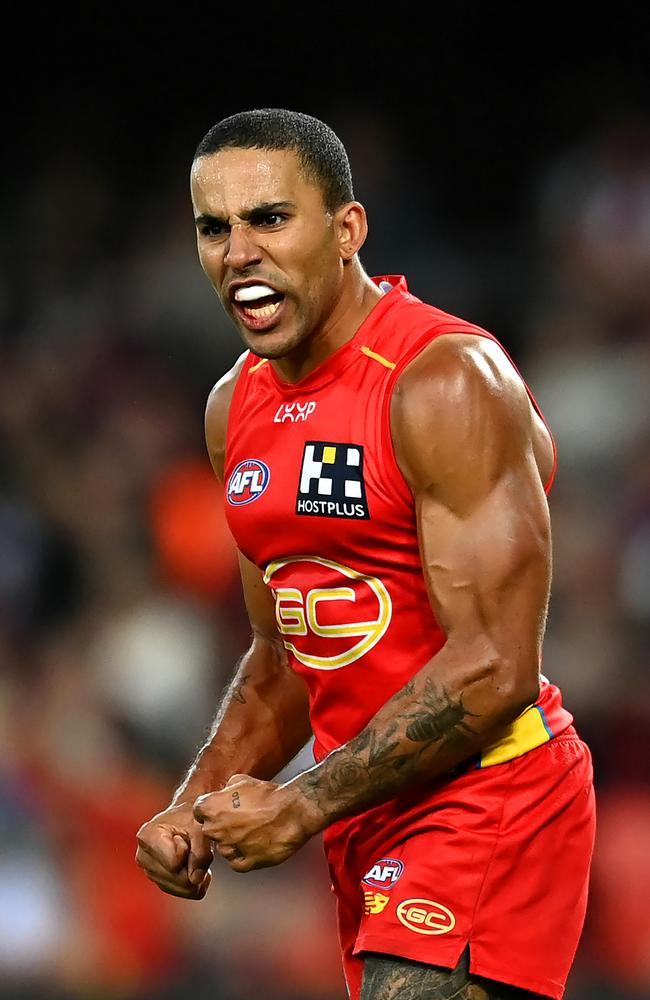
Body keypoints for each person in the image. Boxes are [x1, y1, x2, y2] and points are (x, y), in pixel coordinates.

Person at [135, 108, 596, 1000]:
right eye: (213, 227)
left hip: (491, 798)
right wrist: (195, 803)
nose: (238, 252)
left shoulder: (444, 379)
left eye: (269, 218)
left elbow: (497, 664)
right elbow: (282, 663)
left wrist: (302, 802)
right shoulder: (236, 409)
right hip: (366, 814)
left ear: (347, 229)